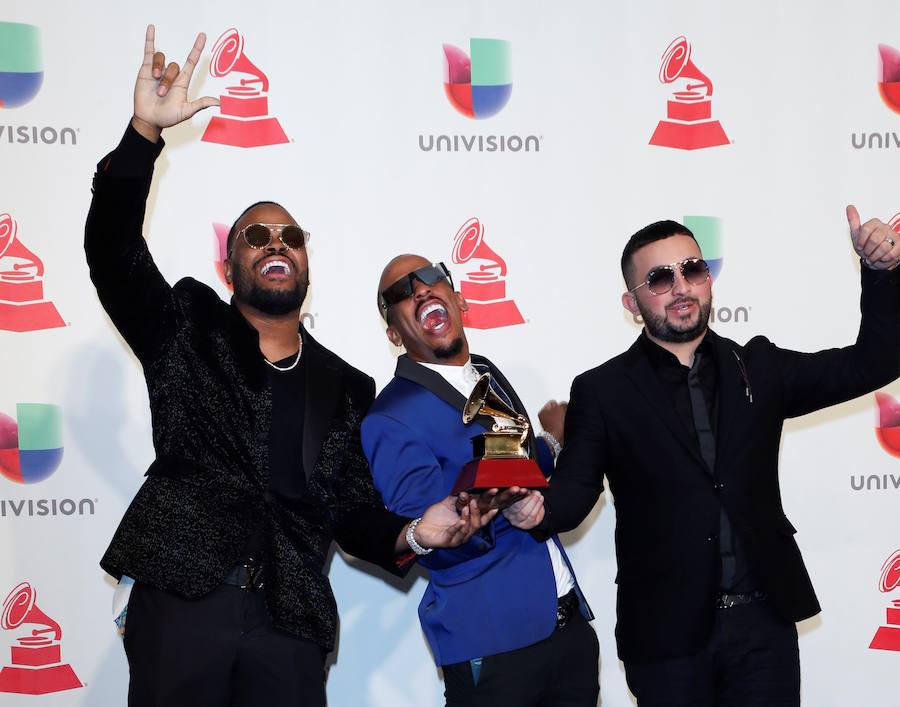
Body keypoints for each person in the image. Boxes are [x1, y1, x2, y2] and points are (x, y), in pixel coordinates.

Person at [85, 27, 494, 707]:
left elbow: (352, 510)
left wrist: (414, 532)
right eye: (257, 236)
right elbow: (112, 252)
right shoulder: (186, 324)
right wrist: (142, 136)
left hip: (291, 618)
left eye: (291, 238)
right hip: (185, 598)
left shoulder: (347, 385)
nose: (277, 245)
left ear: (306, 262)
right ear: (230, 265)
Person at [536, 213, 900, 706]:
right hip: (665, 640)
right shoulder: (602, 391)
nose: (681, 287)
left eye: (693, 270)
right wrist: (535, 510)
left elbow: (873, 362)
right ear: (632, 302)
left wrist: (880, 274)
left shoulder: (758, 365)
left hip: (762, 626)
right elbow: (574, 495)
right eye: (660, 278)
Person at [361, 255, 600, 706]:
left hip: (568, 629)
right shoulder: (389, 418)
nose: (420, 290)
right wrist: (491, 515)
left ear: (459, 298)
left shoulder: (487, 371)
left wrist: (549, 444)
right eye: (400, 292)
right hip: (492, 644)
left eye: (432, 277)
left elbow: (512, 462)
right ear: (393, 333)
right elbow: (431, 535)